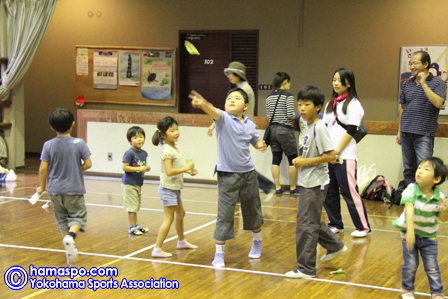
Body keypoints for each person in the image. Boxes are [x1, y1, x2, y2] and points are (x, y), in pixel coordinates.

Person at [190, 88, 267, 268]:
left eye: (237, 98)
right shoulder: (223, 118)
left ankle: (257, 242)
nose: (232, 100)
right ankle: (219, 254)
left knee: (253, 210)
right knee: (225, 214)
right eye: (229, 98)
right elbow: (213, 111)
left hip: (248, 173)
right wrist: (203, 104)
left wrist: (259, 145)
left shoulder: (249, 124)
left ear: (246, 106)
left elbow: (254, 140)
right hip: (227, 175)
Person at [285, 86, 347, 279]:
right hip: (308, 181)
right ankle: (335, 245)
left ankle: (306, 269)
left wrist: (305, 162)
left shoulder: (319, 127)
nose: (302, 108)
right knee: (310, 220)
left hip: (315, 183)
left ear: (318, 107)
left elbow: (331, 155)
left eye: (307, 104)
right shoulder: (306, 124)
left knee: (305, 224)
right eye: (300, 104)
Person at [208, 61, 275, 195]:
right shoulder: (241, 87)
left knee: (240, 162)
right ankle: (264, 186)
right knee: (239, 161)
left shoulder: (244, 89)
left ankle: (266, 185)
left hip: (240, 129)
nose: (229, 76)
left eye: (231, 73)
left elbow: (232, 112)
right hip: (238, 128)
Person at [36, 108, 92, 265]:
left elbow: (43, 169)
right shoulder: (79, 143)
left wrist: (41, 187)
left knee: (61, 219)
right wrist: (77, 169)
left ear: (52, 127)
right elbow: (88, 163)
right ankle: (71, 237)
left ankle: (68, 253)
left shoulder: (48, 145)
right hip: (74, 189)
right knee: (78, 217)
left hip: (55, 189)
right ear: (73, 124)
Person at [322, 68, 371, 238]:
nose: (335, 83)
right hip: (329, 155)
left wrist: (337, 152)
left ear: (348, 83)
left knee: (349, 192)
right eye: (334, 79)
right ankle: (335, 223)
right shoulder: (330, 104)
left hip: (345, 155)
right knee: (329, 191)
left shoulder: (354, 104)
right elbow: (325, 129)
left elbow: (351, 131)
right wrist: (327, 152)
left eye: (339, 80)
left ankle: (363, 227)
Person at [393, 157, 448, 299]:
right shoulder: (410, 190)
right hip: (409, 233)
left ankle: (437, 292)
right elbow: (409, 211)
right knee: (410, 265)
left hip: (429, 237)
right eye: (419, 167)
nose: (420, 171)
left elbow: (443, 219)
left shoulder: (439, 196)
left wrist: (443, 209)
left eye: (426, 169)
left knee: (432, 267)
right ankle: (407, 290)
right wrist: (410, 233)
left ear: (436, 179)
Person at [397, 51, 446, 186]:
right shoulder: (407, 84)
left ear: (426, 64)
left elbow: (438, 103)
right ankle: (410, 199)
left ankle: (423, 200)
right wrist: (399, 130)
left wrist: (424, 84)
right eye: (410, 63)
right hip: (406, 131)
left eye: (415, 63)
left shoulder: (438, 83)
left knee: (425, 169)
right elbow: (403, 108)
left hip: (424, 133)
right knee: (408, 169)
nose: (412, 66)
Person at [151, 116, 198, 257]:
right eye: (172, 130)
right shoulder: (167, 151)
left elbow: (176, 168)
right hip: (168, 189)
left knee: (181, 214)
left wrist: (189, 170)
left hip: (175, 188)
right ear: (164, 135)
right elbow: (169, 171)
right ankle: (157, 249)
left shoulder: (176, 147)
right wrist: (186, 168)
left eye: (177, 129)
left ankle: (181, 241)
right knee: (169, 218)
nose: (176, 132)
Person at [265, 72, 299, 194]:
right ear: (285, 82)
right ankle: (293, 187)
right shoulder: (288, 96)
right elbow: (290, 114)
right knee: (292, 158)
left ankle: (278, 187)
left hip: (272, 130)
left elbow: (268, 115)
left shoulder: (269, 97)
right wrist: (298, 116)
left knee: (276, 158)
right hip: (285, 129)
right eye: (289, 82)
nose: (290, 85)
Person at [122, 126, 151, 235]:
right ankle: (132, 227)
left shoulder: (144, 153)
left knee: (136, 205)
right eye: (135, 137)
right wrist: (139, 168)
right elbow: (125, 167)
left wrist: (147, 168)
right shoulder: (129, 153)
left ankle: (136, 225)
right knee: (132, 207)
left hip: (138, 183)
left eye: (141, 137)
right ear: (130, 141)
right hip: (129, 183)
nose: (139, 139)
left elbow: (144, 166)